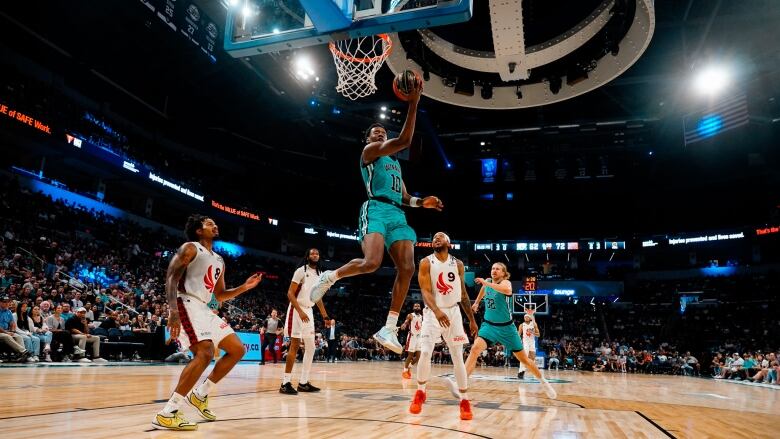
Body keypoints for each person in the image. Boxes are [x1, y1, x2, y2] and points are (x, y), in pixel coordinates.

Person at [309, 77, 445, 354]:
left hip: (398, 215)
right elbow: (406, 139)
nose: (380, 133)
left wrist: (423, 202)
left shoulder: (395, 164)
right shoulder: (369, 153)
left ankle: (389, 327)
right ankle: (332, 277)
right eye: (376, 132)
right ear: (368, 139)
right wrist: (414, 102)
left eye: (383, 132)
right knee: (372, 262)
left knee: (407, 268)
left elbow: (406, 197)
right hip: (376, 209)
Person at [152, 215, 262, 431]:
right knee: (205, 353)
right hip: (186, 302)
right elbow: (171, 277)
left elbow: (219, 295)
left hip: (205, 307)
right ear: (198, 230)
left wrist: (245, 287)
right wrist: (173, 310)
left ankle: (200, 395)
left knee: (237, 350)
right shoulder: (190, 247)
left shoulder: (220, 260)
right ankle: (168, 412)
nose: (215, 225)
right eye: (209, 223)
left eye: (214, 223)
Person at [408, 232, 478, 420]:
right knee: (425, 352)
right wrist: (437, 312)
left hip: (454, 312)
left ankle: (464, 400)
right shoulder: (426, 262)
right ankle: (420, 392)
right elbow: (425, 290)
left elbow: (463, 294)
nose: (436, 239)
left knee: (457, 356)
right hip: (432, 313)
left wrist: (471, 319)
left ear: (448, 242)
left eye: (440, 236)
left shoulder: (458, 264)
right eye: (434, 238)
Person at [467, 263, 556, 399]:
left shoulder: (506, 283)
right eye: (492, 268)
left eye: (497, 269)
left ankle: (544, 382)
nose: (494, 270)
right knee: (474, 350)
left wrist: (485, 282)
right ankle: (460, 384)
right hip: (489, 325)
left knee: (525, 360)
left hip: (507, 328)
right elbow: (483, 290)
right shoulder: (488, 283)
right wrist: (477, 302)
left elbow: (505, 290)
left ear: (504, 273)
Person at [279, 248, 330, 395]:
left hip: (309, 310)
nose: (315, 255)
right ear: (307, 256)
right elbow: (290, 293)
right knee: (294, 346)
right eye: (312, 253)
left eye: (317, 253)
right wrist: (300, 311)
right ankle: (285, 383)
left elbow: (318, 297)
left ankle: (303, 382)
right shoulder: (301, 271)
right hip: (297, 309)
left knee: (311, 347)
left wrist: (325, 316)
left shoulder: (320, 274)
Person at [400, 302, 423, 379]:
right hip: (412, 337)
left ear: (420, 308)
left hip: (419, 337)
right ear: (413, 308)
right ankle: (405, 371)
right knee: (410, 355)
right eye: (415, 306)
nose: (417, 307)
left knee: (418, 356)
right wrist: (404, 324)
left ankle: (409, 367)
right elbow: (406, 321)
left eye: (418, 306)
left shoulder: (421, 317)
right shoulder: (410, 315)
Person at [517, 312, 540, 379]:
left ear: (530, 318)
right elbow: (519, 335)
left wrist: (532, 332)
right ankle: (521, 372)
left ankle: (534, 371)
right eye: (525, 317)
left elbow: (538, 335)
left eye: (527, 317)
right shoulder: (522, 325)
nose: (526, 318)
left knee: (532, 358)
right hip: (525, 342)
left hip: (532, 342)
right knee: (524, 357)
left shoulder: (534, 324)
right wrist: (518, 342)